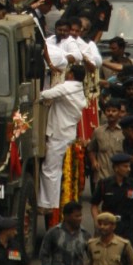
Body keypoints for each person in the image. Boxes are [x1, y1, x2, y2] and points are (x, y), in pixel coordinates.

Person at [38, 65, 88, 213]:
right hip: (68, 134)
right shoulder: (79, 90)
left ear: (71, 74)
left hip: (59, 134)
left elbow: (44, 95)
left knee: (50, 170)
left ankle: (48, 204)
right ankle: (55, 202)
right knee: (61, 170)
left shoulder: (67, 87)